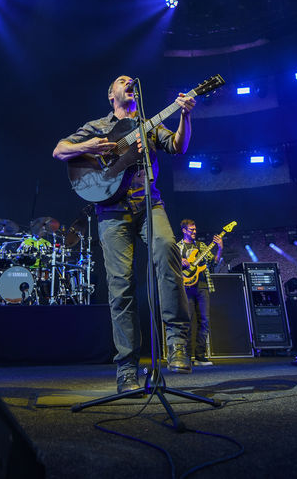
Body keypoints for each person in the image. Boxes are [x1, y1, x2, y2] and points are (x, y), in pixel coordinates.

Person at [53, 75, 196, 393]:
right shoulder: (97, 126)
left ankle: (177, 343)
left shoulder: (148, 124)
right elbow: (60, 151)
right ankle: (127, 369)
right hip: (111, 212)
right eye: (121, 80)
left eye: (131, 80)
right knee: (121, 288)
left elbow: (178, 146)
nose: (129, 81)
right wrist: (89, 146)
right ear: (111, 95)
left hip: (149, 205)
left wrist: (185, 115)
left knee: (167, 249)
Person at [178, 219, 222, 366]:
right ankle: (186, 356)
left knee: (205, 321)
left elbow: (214, 262)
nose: (194, 232)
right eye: (191, 230)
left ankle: (200, 356)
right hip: (186, 287)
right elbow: (169, 267)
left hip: (202, 286)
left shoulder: (202, 246)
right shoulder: (177, 247)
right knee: (187, 322)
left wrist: (220, 248)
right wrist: (180, 261)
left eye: (195, 229)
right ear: (184, 230)